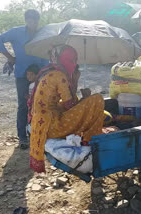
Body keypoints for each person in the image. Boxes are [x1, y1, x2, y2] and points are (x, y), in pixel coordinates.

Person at [29, 45, 104, 173]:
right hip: (52, 126)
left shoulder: (49, 72)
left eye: (75, 60)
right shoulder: (60, 76)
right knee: (97, 99)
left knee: (71, 105)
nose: (74, 64)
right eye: (71, 60)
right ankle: (89, 138)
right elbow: (70, 105)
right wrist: (80, 88)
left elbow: (65, 103)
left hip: (42, 124)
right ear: (62, 60)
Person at [0, 9, 48, 149]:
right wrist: (10, 58)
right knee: (23, 105)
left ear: (38, 21)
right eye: (30, 20)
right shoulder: (16, 32)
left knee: (40, 103)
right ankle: (22, 137)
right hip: (22, 74)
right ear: (26, 20)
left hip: (40, 74)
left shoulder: (43, 33)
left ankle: (36, 132)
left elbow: (47, 52)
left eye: (35, 20)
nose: (33, 23)